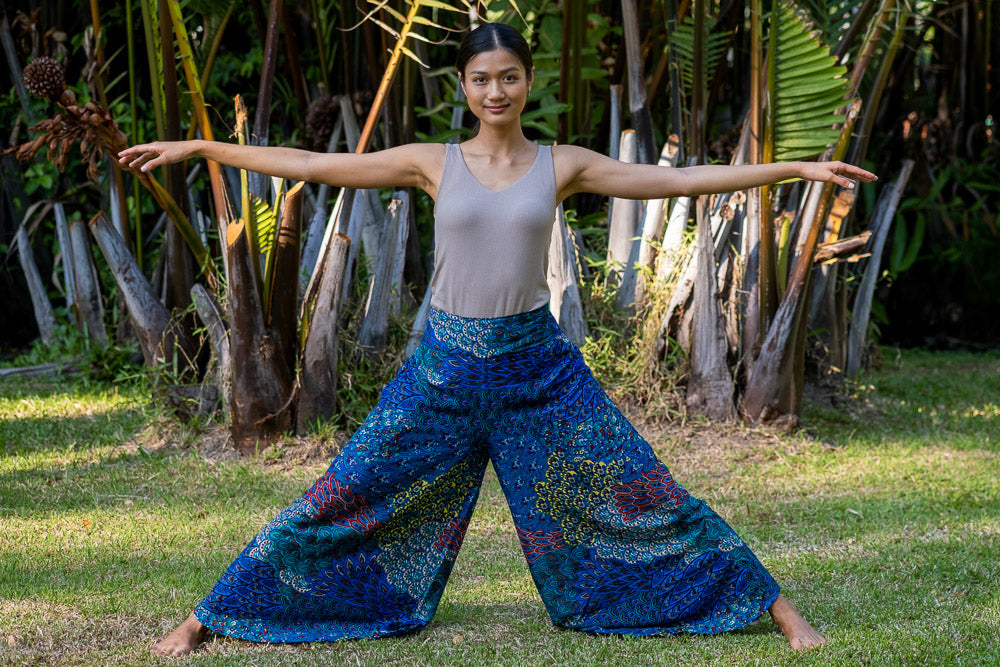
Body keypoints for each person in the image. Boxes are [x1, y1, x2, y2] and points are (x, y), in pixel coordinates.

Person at [120, 22, 874, 658]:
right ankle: (207, 617)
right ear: (465, 86)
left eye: (509, 78)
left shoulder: (562, 164)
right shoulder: (432, 161)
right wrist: (204, 148)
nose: (496, 93)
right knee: (342, 490)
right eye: (482, 79)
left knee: (644, 486)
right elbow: (316, 164)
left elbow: (676, 182)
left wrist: (797, 167)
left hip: (537, 371)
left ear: (525, 80)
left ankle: (773, 607)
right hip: (441, 372)